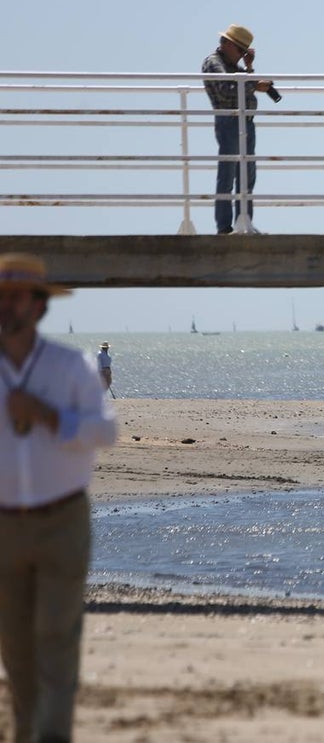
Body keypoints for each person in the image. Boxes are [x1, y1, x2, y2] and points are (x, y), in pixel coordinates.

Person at [0, 253, 118, 743]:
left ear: (39, 305)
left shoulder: (72, 367)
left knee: (56, 637)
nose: (8, 305)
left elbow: (105, 431)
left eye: (17, 296)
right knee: (16, 651)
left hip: (63, 517)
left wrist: (49, 417)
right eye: (0, 297)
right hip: (3, 524)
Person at [202, 24, 275, 235]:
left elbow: (245, 83)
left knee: (246, 176)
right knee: (227, 174)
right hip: (229, 122)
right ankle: (224, 228)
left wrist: (249, 68)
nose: (242, 55)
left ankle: (244, 222)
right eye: (241, 51)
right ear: (227, 44)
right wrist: (253, 84)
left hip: (245, 122)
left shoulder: (233, 67)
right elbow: (227, 89)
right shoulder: (214, 63)